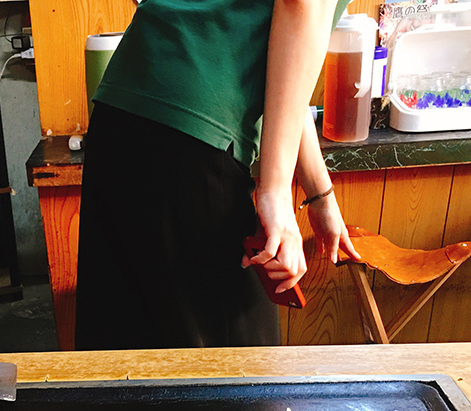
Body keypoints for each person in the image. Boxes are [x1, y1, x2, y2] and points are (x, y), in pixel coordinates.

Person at [75, 0, 360, 350]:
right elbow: (301, 6)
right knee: (238, 370)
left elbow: (286, 56)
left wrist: (320, 195)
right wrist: (275, 192)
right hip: (193, 130)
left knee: (125, 348)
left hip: (122, 107)